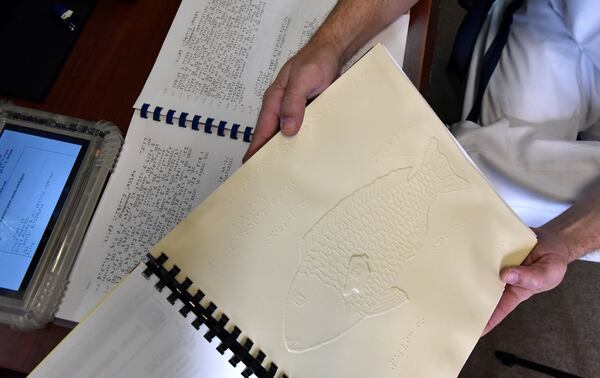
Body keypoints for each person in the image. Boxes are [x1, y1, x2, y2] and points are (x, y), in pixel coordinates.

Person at [243, 0, 600, 335]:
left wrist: (570, 238)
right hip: (557, 13)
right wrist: (331, 43)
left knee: (488, 198)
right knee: (472, 170)